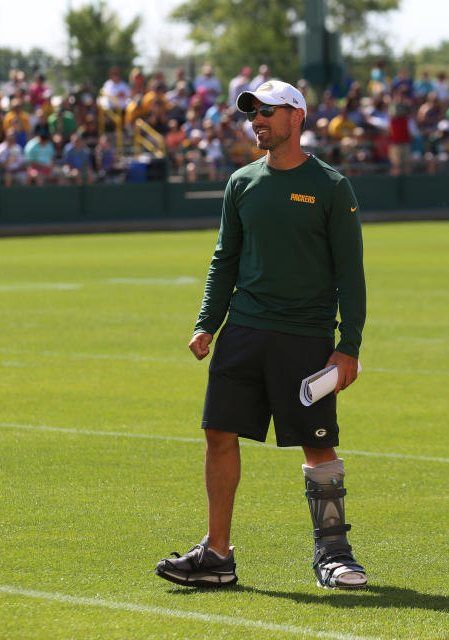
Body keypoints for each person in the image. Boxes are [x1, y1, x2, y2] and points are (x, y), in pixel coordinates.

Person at [155, 79, 368, 590]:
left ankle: (334, 555)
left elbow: (351, 273)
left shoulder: (331, 186)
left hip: (305, 338)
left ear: (297, 117)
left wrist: (348, 347)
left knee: (318, 447)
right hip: (243, 333)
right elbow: (224, 259)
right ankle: (217, 555)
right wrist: (207, 322)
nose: (257, 121)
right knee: (218, 433)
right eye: (252, 113)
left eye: (268, 112)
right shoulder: (241, 183)